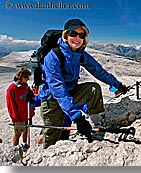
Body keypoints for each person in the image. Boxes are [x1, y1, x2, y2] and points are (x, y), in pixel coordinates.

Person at [39, 18, 129, 149]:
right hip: (52, 101)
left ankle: (95, 124)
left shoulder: (79, 53)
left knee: (93, 89)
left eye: (81, 35)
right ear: (65, 35)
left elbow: (98, 71)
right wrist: (78, 118)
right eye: (73, 34)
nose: (77, 38)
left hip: (70, 93)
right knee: (53, 139)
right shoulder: (53, 56)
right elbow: (57, 89)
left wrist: (117, 85)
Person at [6, 68, 35, 149]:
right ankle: (14, 148)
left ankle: (24, 144)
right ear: (21, 77)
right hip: (18, 116)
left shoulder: (25, 86)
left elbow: (30, 97)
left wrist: (31, 95)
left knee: (25, 130)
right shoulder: (12, 89)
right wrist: (15, 118)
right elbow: (11, 105)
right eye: (26, 78)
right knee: (18, 132)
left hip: (26, 114)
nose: (27, 80)